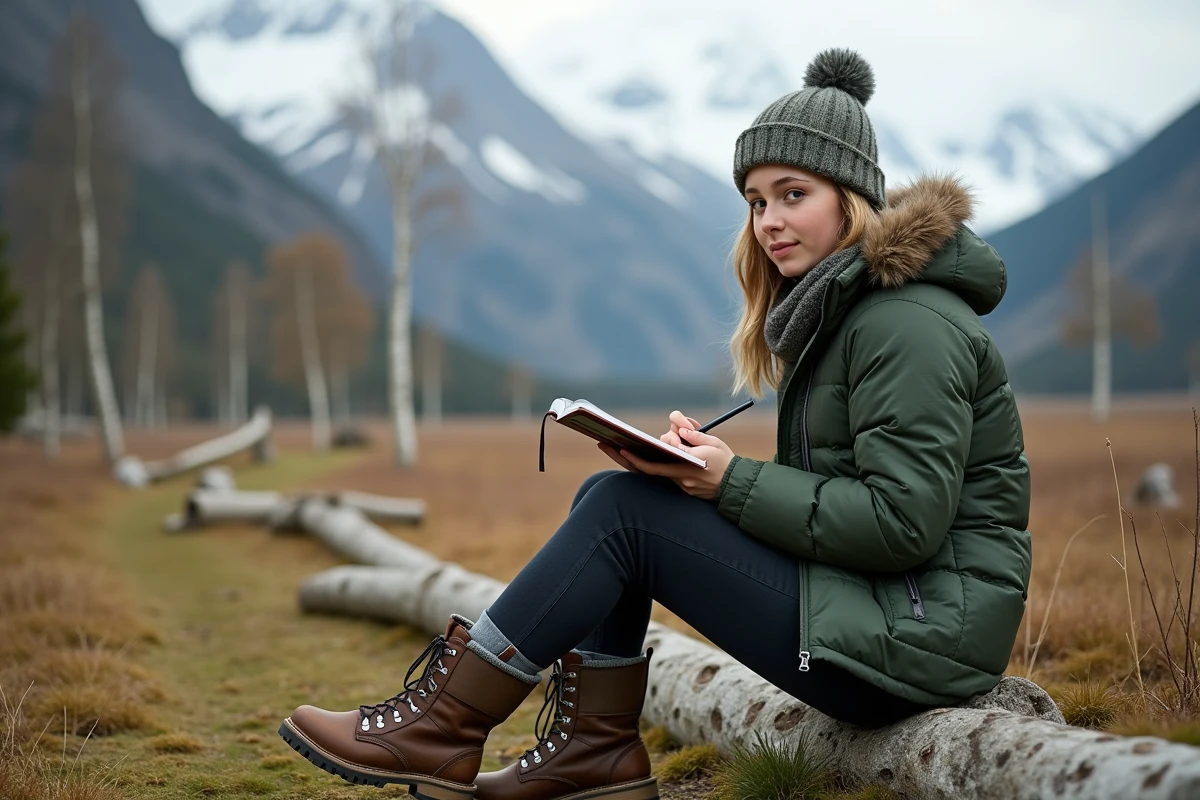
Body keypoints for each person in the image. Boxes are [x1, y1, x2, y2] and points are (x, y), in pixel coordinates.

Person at [278, 48, 1032, 800]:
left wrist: (730, 481)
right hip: (882, 615)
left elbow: (901, 524)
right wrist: (708, 471)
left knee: (622, 513)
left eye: (792, 193)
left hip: (914, 648)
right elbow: (851, 498)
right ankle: (590, 752)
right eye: (755, 201)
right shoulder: (856, 314)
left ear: (852, 197)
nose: (769, 221)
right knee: (613, 498)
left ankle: (444, 727)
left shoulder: (905, 323)